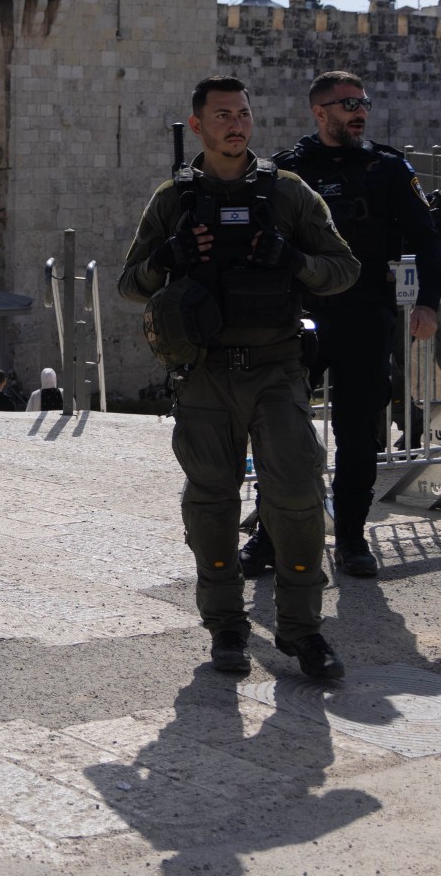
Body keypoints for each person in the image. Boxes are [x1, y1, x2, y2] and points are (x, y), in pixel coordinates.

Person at [119, 76, 359, 680]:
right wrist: (169, 256)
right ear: (196, 124)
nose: (237, 124)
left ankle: (303, 632)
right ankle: (225, 626)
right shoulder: (172, 199)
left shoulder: (288, 194)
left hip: (277, 368)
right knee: (211, 506)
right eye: (223, 115)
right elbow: (131, 284)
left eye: (244, 114)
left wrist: (292, 260)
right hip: (204, 375)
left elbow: (344, 270)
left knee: (298, 500)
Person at [241, 72, 441, 582]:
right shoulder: (287, 171)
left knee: (358, 435)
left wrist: (428, 302)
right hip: (299, 315)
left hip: (365, 315)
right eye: (348, 103)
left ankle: (353, 541)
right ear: (319, 112)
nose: (360, 111)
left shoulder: (388, 168)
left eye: (364, 102)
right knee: (281, 431)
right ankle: (268, 539)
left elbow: (426, 237)